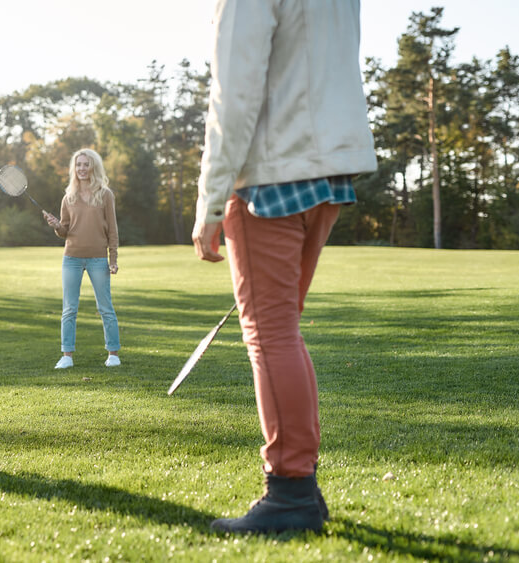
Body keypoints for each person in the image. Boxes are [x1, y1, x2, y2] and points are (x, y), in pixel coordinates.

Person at [192, 0, 377, 533]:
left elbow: (234, 92)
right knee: (283, 335)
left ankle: (290, 491)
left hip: (272, 173)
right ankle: (302, 487)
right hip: (329, 172)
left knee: (270, 337)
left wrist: (210, 203)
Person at [43, 148, 121, 369]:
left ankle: (113, 353)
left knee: (105, 307)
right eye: (78, 165)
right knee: (69, 308)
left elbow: (112, 230)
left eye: (86, 164)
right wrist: (57, 226)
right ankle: (67, 356)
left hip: (98, 259)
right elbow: (65, 231)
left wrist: (112, 258)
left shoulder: (105, 195)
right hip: (72, 258)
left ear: (93, 167)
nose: (82, 168)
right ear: (74, 169)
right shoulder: (68, 197)